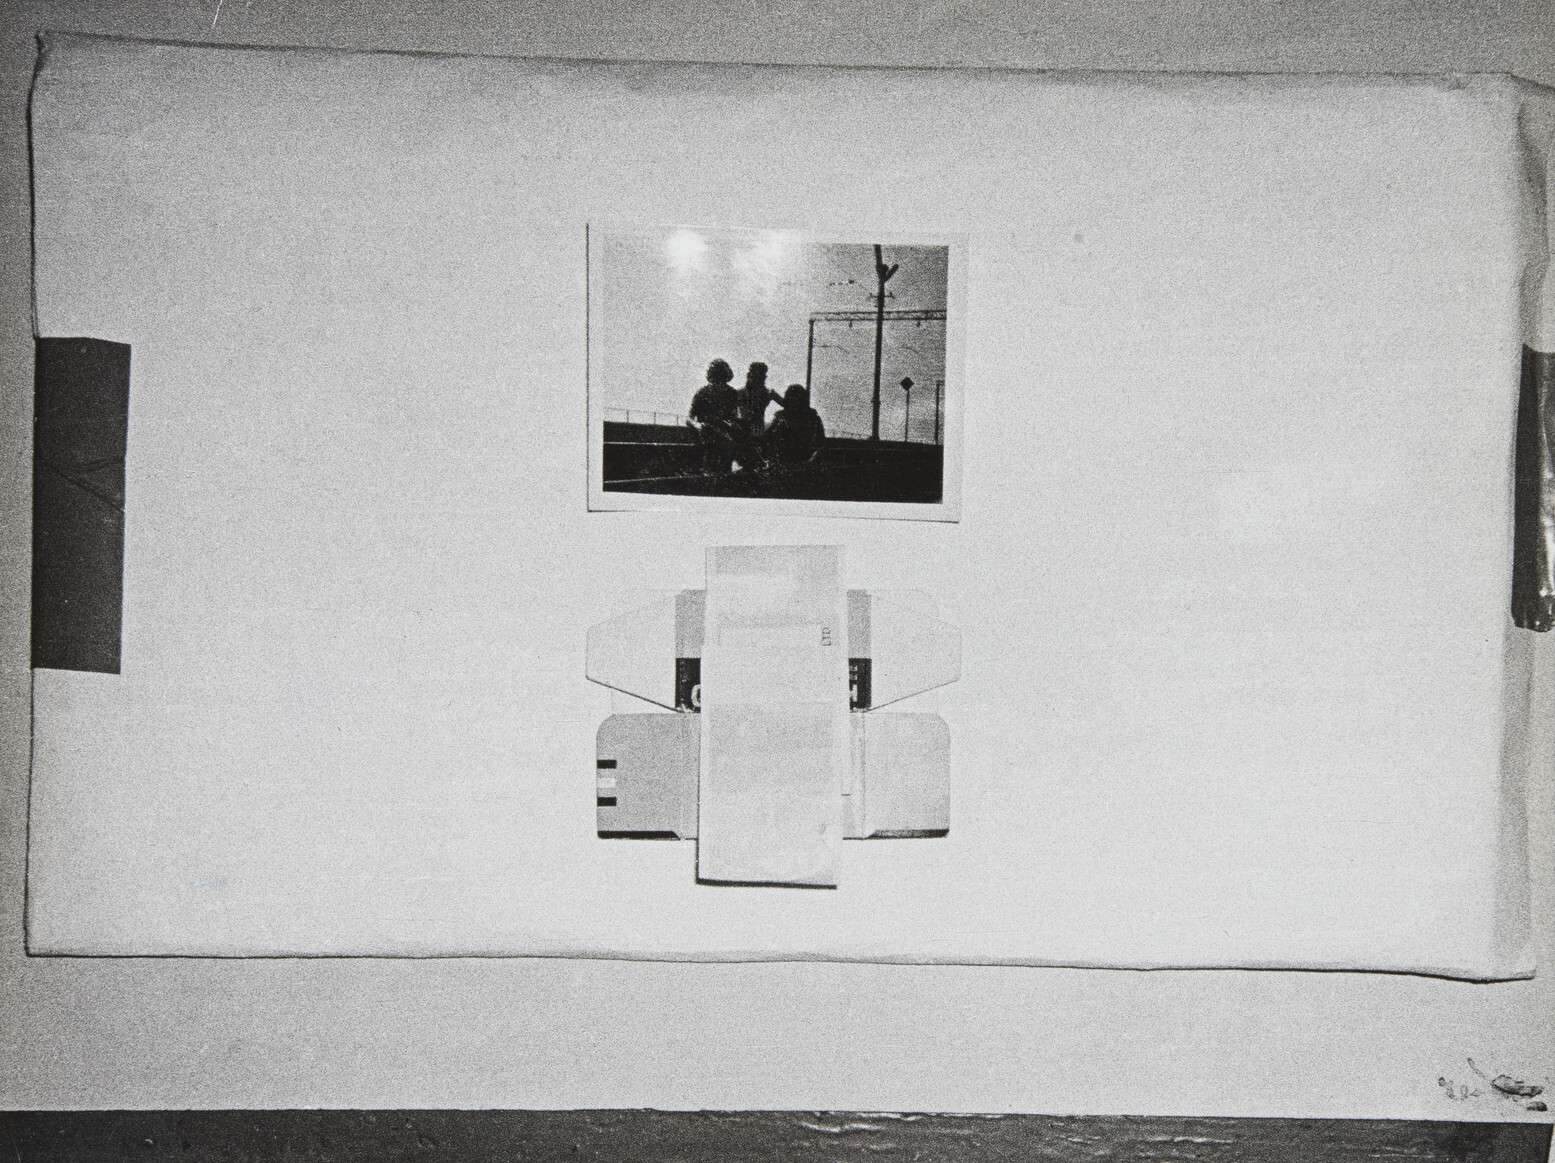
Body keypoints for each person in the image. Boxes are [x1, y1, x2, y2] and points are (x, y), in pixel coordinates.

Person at [687, 358, 741, 475]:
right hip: (705, 432)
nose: (719, 384)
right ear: (711, 377)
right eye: (716, 379)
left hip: (724, 432)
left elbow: (734, 417)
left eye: (722, 379)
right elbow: (689, 418)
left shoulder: (732, 393)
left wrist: (732, 424)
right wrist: (697, 425)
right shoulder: (702, 392)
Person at [763, 384, 826, 467]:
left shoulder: (813, 418)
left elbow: (821, 444)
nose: (793, 404)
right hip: (782, 462)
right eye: (790, 400)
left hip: (804, 461)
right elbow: (767, 437)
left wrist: (811, 461)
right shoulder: (781, 417)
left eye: (796, 400)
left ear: (802, 401)